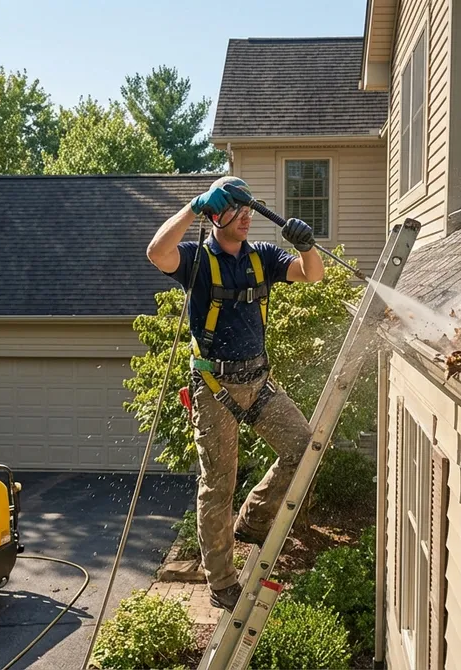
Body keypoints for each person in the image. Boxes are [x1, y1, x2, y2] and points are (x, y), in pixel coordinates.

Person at [146, 176, 323, 610]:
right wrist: (193, 205)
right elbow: (156, 252)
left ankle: (255, 517)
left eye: (249, 210)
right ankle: (222, 580)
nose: (246, 217)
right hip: (213, 386)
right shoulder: (195, 261)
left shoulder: (262, 257)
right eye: (236, 209)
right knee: (218, 485)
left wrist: (306, 246)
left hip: (259, 381)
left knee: (305, 448)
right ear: (215, 215)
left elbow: (312, 276)